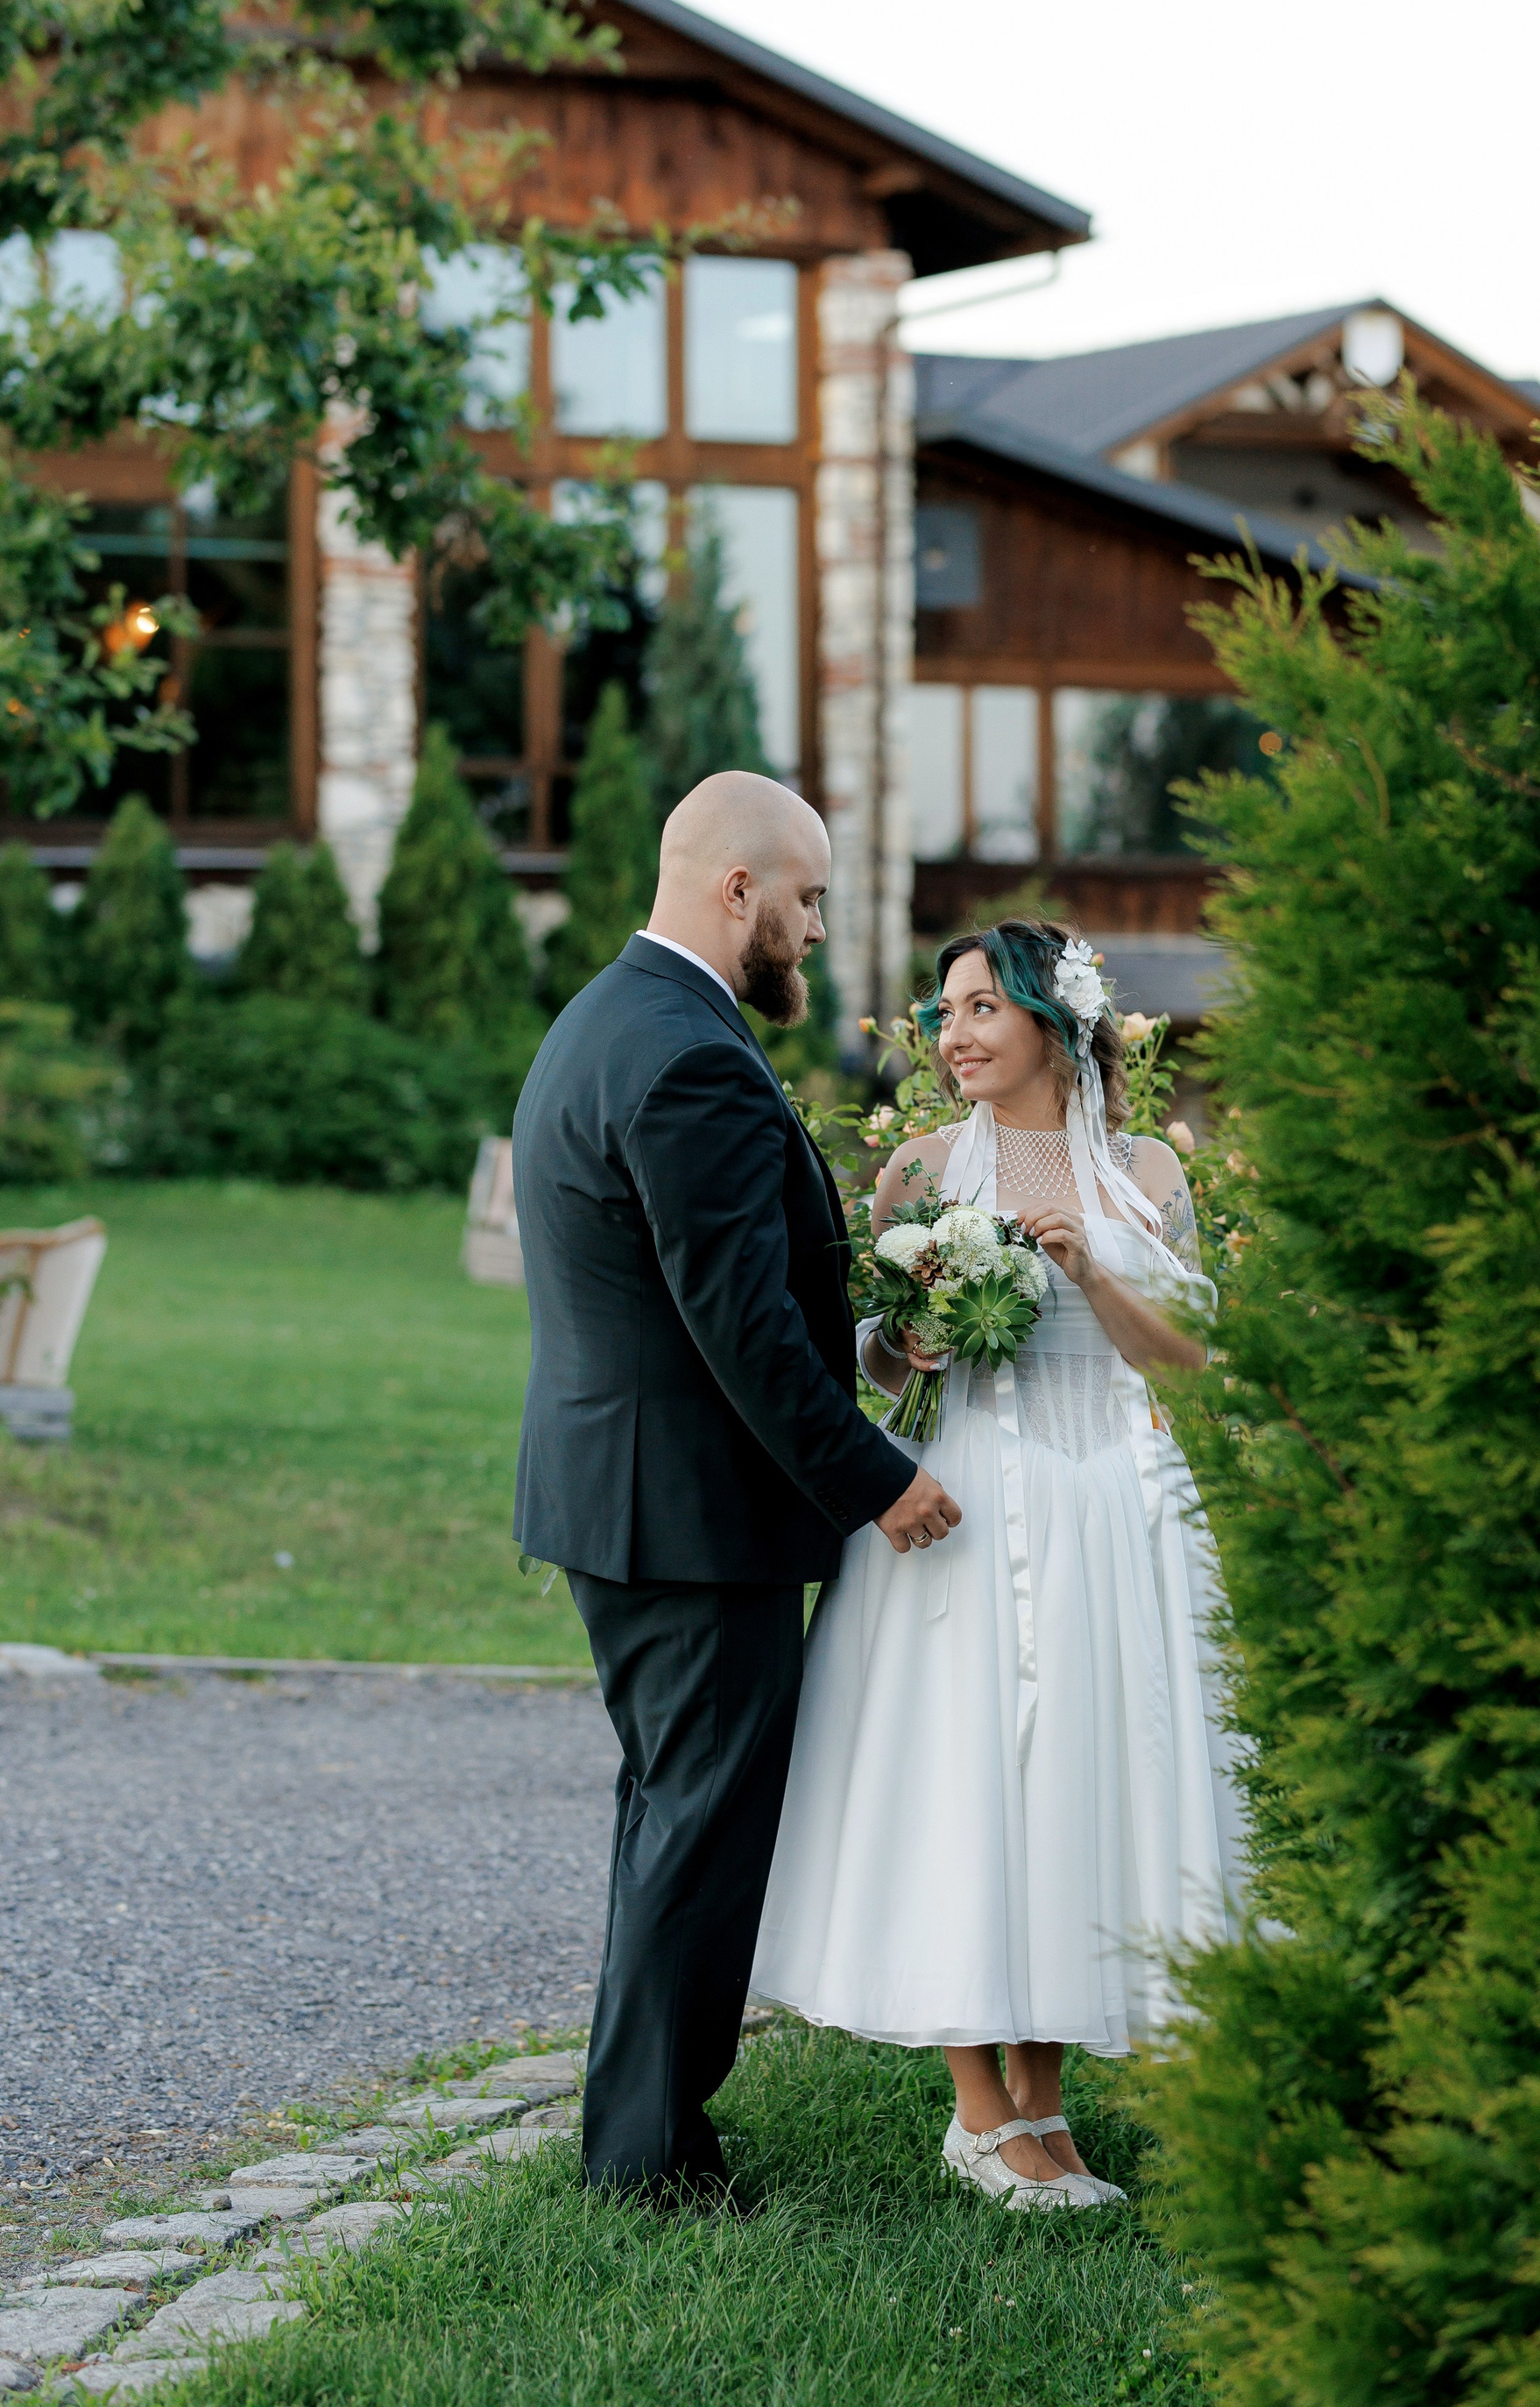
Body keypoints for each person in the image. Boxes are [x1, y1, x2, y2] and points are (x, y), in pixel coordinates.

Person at [512, 770, 960, 2200]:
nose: (816, 929)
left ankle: (637, 2138)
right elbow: (740, 1324)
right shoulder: (688, 1054)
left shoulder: (612, 1019)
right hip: (691, 1515)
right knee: (699, 1832)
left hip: (639, 1500)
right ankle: (649, 2167)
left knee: (674, 1821)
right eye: (808, 899)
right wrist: (876, 1478)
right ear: (737, 888)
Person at [752, 918, 1246, 2212]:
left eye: (980, 1008)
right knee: (966, 1779)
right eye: (942, 1012)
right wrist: (906, 1339)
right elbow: (867, 1348)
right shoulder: (920, 1170)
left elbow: (1189, 1361)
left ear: (1052, 1022)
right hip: (969, 1500)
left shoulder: (1147, 1169)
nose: (952, 1035)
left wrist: (1088, 1268)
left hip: (1119, 1505)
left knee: (1082, 1780)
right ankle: (977, 2113)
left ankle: (1044, 2102)